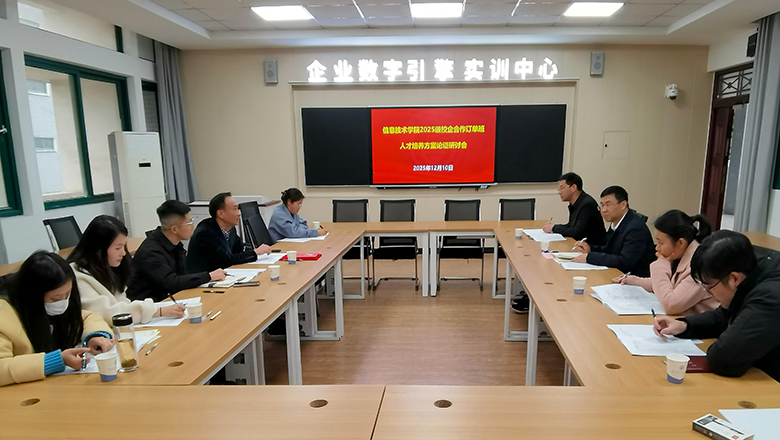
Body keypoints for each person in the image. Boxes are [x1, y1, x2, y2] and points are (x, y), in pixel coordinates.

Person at [654, 231, 780, 382]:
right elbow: (725, 315)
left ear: (734, 279)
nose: (708, 293)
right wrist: (684, 325)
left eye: (709, 287)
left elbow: (724, 358)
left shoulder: (770, 296)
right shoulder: (747, 264)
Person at [0, 251, 114, 386]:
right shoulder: (5, 315)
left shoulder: (53, 307)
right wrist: (55, 361)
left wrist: (95, 336)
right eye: (55, 298)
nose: (63, 302)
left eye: (67, 294)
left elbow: (86, 318)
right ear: (33, 296)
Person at [68, 215, 185, 325]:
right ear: (98, 249)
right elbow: (107, 314)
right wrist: (157, 311)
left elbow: (122, 303)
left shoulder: (107, 268)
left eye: (124, 247)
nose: (123, 253)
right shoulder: (77, 276)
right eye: (117, 248)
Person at [614, 210, 719, 315]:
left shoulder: (699, 265)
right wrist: (631, 280)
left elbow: (671, 305)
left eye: (661, 243)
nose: (657, 248)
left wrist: (661, 265)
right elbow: (665, 284)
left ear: (680, 243)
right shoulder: (680, 254)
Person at [128, 201, 227, 302]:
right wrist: (208, 276)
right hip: (150, 306)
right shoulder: (151, 252)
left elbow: (181, 277)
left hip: (172, 300)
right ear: (174, 229)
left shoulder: (174, 244)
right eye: (189, 223)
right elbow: (171, 283)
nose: (193, 227)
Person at [573, 185, 655, 277]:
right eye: (602, 205)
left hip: (635, 279)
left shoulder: (635, 229)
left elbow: (625, 261)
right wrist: (590, 249)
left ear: (623, 205)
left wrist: (590, 257)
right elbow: (610, 250)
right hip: (618, 275)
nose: (604, 210)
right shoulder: (617, 222)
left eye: (608, 205)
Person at [186, 192, 271, 274]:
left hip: (223, 275)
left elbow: (239, 249)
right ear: (221, 214)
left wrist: (252, 251)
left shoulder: (230, 228)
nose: (239, 213)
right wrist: (255, 252)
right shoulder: (205, 233)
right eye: (235, 209)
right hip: (204, 280)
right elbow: (226, 261)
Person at [542, 172, 606, 246]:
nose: (560, 192)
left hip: (592, 247)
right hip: (581, 244)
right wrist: (553, 227)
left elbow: (577, 232)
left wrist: (554, 228)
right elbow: (571, 226)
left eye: (562, 188)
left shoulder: (587, 204)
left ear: (573, 188)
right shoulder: (577, 202)